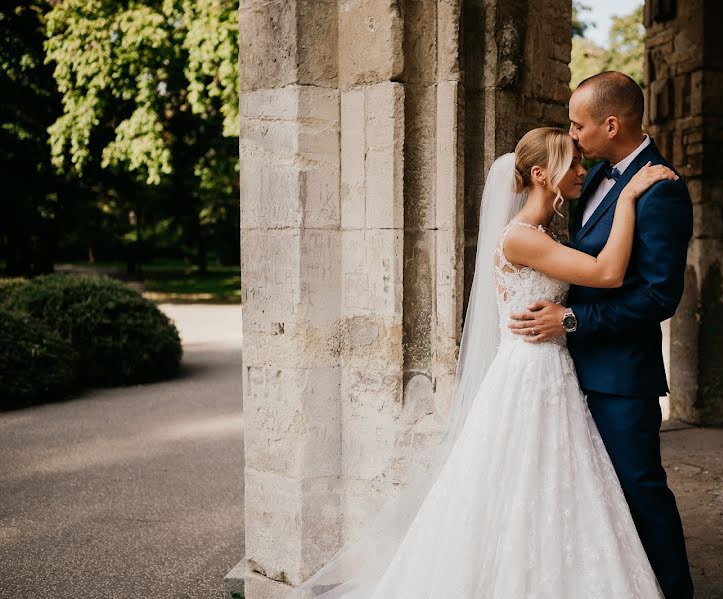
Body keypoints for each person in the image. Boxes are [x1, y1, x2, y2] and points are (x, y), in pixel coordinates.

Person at [288, 122, 678, 598]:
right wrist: (630, 198)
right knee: (521, 482)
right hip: (532, 373)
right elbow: (608, 272)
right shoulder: (521, 238)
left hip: (552, 369)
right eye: (572, 162)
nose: (582, 168)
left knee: (555, 485)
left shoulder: (543, 230)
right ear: (541, 173)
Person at [508, 71, 695, 599]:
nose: (573, 136)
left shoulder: (662, 191)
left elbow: (660, 296)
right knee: (582, 494)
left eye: (577, 125)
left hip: (619, 374)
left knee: (638, 488)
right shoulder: (591, 179)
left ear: (610, 124)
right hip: (562, 370)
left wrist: (571, 321)